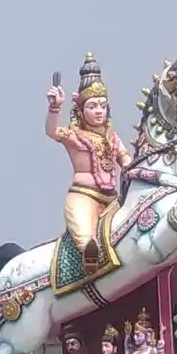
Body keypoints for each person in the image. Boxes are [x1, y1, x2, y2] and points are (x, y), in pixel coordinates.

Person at [45, 52, 128, 273]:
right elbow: (52, 131)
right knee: (86, 235)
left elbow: (127, 161)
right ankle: (89, 256)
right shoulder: (75, 137)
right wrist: (55, 108)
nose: (99, 111)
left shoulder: (112, 138)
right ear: (81, 112)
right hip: (84, 196)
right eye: (92, 106)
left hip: (112, 201)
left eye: (102, 105)